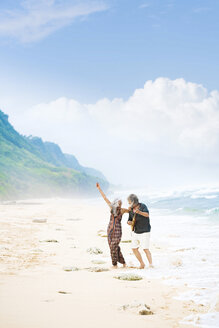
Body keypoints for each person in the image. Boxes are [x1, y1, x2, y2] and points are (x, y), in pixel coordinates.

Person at [96, 182, 129, 269]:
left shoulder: (122, 210)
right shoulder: (112, 208)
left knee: (114, 246)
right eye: (118, 202)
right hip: (110, 230)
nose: (120, 204)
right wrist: (99, 189)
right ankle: (123, 263)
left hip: (117, 231)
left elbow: (131, 211)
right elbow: (105, 198)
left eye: (121, 203)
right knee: (113, 247)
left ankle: (114, 264)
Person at [127, 194, 153, 269]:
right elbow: (129, 220)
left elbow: (147, 215)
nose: (129, 204)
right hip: (135, 231)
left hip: (145, 231)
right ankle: (142, 264)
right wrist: (129, 222)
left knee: (145, 249)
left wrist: (139, 212)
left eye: (129, 202)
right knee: (134, 248)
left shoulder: (143, 206)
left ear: (134, 202)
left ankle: (151, 265)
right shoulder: (131, 210)